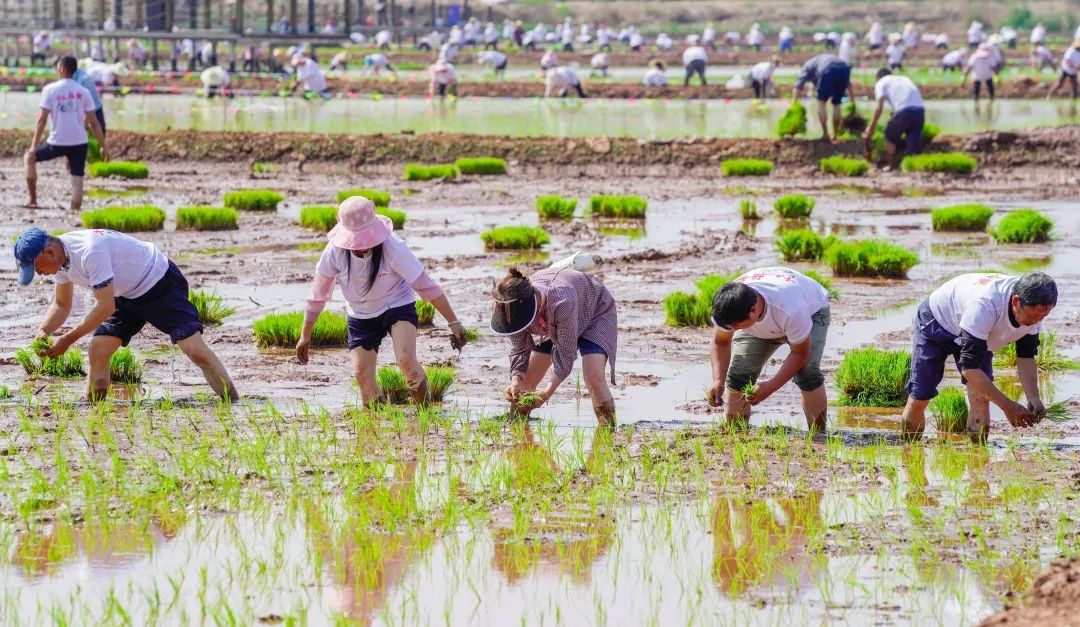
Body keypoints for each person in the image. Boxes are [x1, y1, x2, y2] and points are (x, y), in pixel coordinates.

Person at [14, 228, 238, 402]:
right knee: (98, 350)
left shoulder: (90, 251)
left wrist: (67, 340)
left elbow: (105, 307)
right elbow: (62, 304)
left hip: (159, 283)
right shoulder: (61, 261)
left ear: (49, 252)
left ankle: (234, 403)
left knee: (195, 350)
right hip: (124, 293)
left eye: (37, 268)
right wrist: (43, 331)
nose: (39, 274)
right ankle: (95, 412)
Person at [296, 197, 466, 406]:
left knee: (405, 360)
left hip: (397, 304)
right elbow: (318, 295)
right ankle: (376, 423)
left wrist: (453, 322)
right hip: (360, 313)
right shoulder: (334, 252)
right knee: (361, 374)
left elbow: (425, 285)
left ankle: (427, 416)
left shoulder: (393, 247)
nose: (362, 246)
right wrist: (305, 335)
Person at [901, 272, 1058, 442]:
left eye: (1043, 316)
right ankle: (909, 450)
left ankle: (978, 454)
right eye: (1032, 316)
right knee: (920, 396)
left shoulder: (1035, 311)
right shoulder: (985, 305)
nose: (1036, 321)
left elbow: (1025, 357)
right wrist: (1008, 406)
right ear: (1016, 301)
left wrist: (1033, 397)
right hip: (938, 322)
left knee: (981, 397)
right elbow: (969, 369)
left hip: (978, 333)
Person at [707, 267, 831, 432]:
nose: (733, 331)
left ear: (753, 311)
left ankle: (818, 436)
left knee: (807, 373)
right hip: (764, 320)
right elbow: (720, 342)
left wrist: (769, 387)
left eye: (737, 327)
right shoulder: (729, 306)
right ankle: (737, 434)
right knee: (738, 375)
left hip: (811, 312)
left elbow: (801, 353)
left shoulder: (791, 308)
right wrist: (718, 381)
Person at [491, 266, 618, 427]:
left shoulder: (562, 301)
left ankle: (608, 433)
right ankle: (517, 430)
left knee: (594, 377)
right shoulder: (508, 308)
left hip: (594, 311)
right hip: (552, 321)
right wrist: (516, 378)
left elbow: (566, 354)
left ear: (532, 305)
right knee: (525, 381)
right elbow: (520, 348)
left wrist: (546, 394)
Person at [24, 56, 107, 212]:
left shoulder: (50, 90)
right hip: (79, 143)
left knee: (29, 159)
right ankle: (75, 211)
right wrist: (104, 146)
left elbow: (42, 120)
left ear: (61, 69)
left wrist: (33, 146)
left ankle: (32, 199)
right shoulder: (84, 92)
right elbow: (94, 123)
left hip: (56, 143)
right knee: (77, 179)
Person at [864, 68, 925, 168]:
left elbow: (879, 108)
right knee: (913, 142)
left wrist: (870, 128)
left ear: (878, 78)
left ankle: (891, 166)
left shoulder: (881, 83)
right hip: (919, 111)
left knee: (889, 135)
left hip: (904, 112)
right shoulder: (904, 79)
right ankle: (914, 167)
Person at [792, 54, 854, 142]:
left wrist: (794, 104)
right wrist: (853, 102)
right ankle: (835, 135)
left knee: (821, 102)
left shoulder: (807, 66)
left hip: (827, 70)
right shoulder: (819, 61)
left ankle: (825, 134)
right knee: (836, 104)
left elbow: (798, 86)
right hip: (844, 68)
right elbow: (848, 84)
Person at [72, 62, 106, 135]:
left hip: (93, 112)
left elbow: (89, 104)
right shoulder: (72, 77)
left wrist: (86, 122)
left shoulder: (83, 80)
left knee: (97, 134)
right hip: (84, 112)